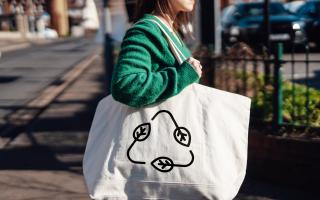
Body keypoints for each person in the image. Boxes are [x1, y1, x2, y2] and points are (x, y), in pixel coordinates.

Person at [111, 0, 202, 108]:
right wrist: (181, 76)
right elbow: (124, 85)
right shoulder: (146, 30)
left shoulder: (171, 30)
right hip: (159, 122)